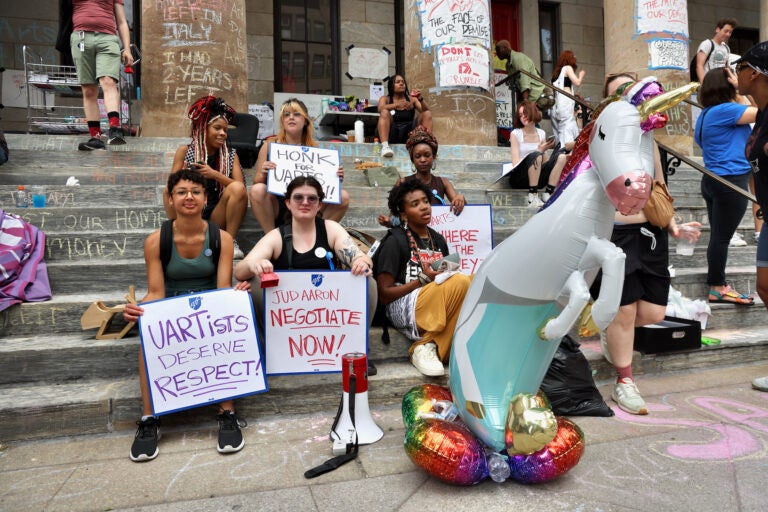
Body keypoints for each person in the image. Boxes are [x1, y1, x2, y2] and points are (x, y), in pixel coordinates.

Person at [122, 168, 251, 462]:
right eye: (181, 192)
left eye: (195, 191)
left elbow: (220, 289)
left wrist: (234, 296)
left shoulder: (222, 239)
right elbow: (156, 291)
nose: (189, 197)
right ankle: (149, 418)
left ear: (206, 198)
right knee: (147, 343)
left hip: (207, 309)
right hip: (173, 312)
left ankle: (227, 412)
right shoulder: (156, 240)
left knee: (226, 333)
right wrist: (140, 309)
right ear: (171, 198)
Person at [596, 72, 701, 415]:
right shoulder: (601, 141)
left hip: (650, 235)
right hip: (617, 235)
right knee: (624, 310)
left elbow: (657, 187)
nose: (632, 98)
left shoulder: (648, 140)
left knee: (653, 311)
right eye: (621, 93)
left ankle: (612, 330)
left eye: (634, 90)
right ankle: (624, 381)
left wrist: (674, 225)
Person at [234, 176, 376, 337]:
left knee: (367, 280)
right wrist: (254, 265)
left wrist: (361, 262)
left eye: (312, 198)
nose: (305, 202)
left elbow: (359, 256)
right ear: (288, 203)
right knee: (251, 282)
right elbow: (239, 271)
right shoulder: (277, 236)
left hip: (330, 311)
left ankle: (354, 344)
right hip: (288, 315)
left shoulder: (331, 229)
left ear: (319, 205)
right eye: (298, 197)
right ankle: (270, 347)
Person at [374, 179, 471, 377]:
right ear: (403, 213)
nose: (424, 207)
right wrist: (422, 280)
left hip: (434, 300)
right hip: (401, 306)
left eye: (425, 201)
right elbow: (383, 295)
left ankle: (427, 345)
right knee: (460, 281)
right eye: (415, 204)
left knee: (472, 279)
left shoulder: (438, 239)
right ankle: (429, 345)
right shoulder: (394, 241)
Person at [694, 67, 757, 305]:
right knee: (721, 238)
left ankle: (717, 283)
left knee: (719, 237)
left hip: (713, 180)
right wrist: (743, 90)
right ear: (727, 86)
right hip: (730, 181)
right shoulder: (727, 110)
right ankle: (718, 286)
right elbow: (763, 111)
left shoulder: (706, 113)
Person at [249, 98, 349, 234]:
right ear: (282, 121)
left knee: (342, 196)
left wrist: (334, 177)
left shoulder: (316, 149)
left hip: (307, 202)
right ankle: (272, 238)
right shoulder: (269, 145)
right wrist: (263, 173)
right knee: (257, 189)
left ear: (305, 120)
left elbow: (323, 187)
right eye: (286, 114)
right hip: (279, 203)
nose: (291, 118)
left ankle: (316, 236)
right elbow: (256, 182)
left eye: (296, 114)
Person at [165, 96, 248, 259]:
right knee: (167, 190)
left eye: (225, 130)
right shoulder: (185, 151)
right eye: (217, 128)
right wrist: (184, 176)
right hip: (192, 211)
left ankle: (229, 242)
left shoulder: (231, 155)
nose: (222, 133)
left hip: (218, 213)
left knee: (237, 188)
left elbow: (241, 188)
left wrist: (214, 174)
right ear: (203, 128)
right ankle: (176, 234)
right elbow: (172, 185)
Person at [736, 41, 768, 392]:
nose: (736, 74)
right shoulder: (761, 114)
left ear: (756, 73)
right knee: (764, 288)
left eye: (741, 67)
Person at [70, 0, 134, 150]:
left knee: (108, 81)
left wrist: (127, 49)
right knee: (88, 90)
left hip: (108, 38)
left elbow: (122, 21)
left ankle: (114, 129)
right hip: (81, 38)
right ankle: (95, 137)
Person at [377, 126, 465, 227]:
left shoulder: (443, 183)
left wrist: (460, 198)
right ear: (412, 160)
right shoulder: (403, 182)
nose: (423, 160)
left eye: (427, 155)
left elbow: (459, 205)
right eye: (418, 156)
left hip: (436, 236)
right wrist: (388, 221)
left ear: (434, 157)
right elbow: (394, 218)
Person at [507, 100, 567, 207]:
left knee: (561, 156)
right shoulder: (515, 133)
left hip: (538, 176)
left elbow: (545, 162)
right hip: (520, 178)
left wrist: (544, 151)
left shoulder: (541, 133)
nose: (523, 117)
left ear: (532, 112)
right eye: (520, 115)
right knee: (536, 155)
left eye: (526, 113)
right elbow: (515, 162)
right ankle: (533, 196)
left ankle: (548, 192)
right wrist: (538, 152)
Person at [377, 75, 433, 158]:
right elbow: (380, 108)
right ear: (391, 86)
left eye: (403, 82)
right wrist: (396, 105)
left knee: (427, 114)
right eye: (398, 82)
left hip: (410, 134)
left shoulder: (412, 99)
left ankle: (428, 146)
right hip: (392, 133)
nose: (401, 84)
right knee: (384, 112)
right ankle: (385, 147)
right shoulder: (385, 99)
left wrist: (420, 98)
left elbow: (425, 110)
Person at [550, 50, 586, 150]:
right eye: (573, 57)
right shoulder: (567, 68)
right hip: (566, 102)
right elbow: (577, 82)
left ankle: (561, 146)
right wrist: (581, 75)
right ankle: (566, 146)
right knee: (568, 124)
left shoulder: (555, 75)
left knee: (562, 127)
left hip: (557, 105)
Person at [495, 40, 545, 105]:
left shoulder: (518, 58)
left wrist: (525, 99)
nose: (497, 53)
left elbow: (524, 79)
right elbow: (515, 84)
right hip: (528, 96)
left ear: (505, 48)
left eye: (498, 50)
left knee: (530, 113)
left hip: (539, 93)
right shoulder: (508, 65)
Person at [695, 18, 737, 83]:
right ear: (718, 29)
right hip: (708, 83)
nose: (728, 34)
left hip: (721, 84)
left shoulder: (726, 48)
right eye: (726, 31)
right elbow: (699, 66)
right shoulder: (707, 44)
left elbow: (726, 67)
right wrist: (704, 85)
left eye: (730, 32)